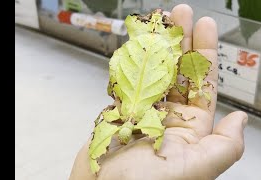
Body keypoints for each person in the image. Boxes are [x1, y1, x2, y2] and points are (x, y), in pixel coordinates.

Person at [69, 4, 248, 180]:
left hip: (145, 50)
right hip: (156, 52)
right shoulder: (144, 118)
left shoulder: (119, 115)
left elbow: (114, 79)